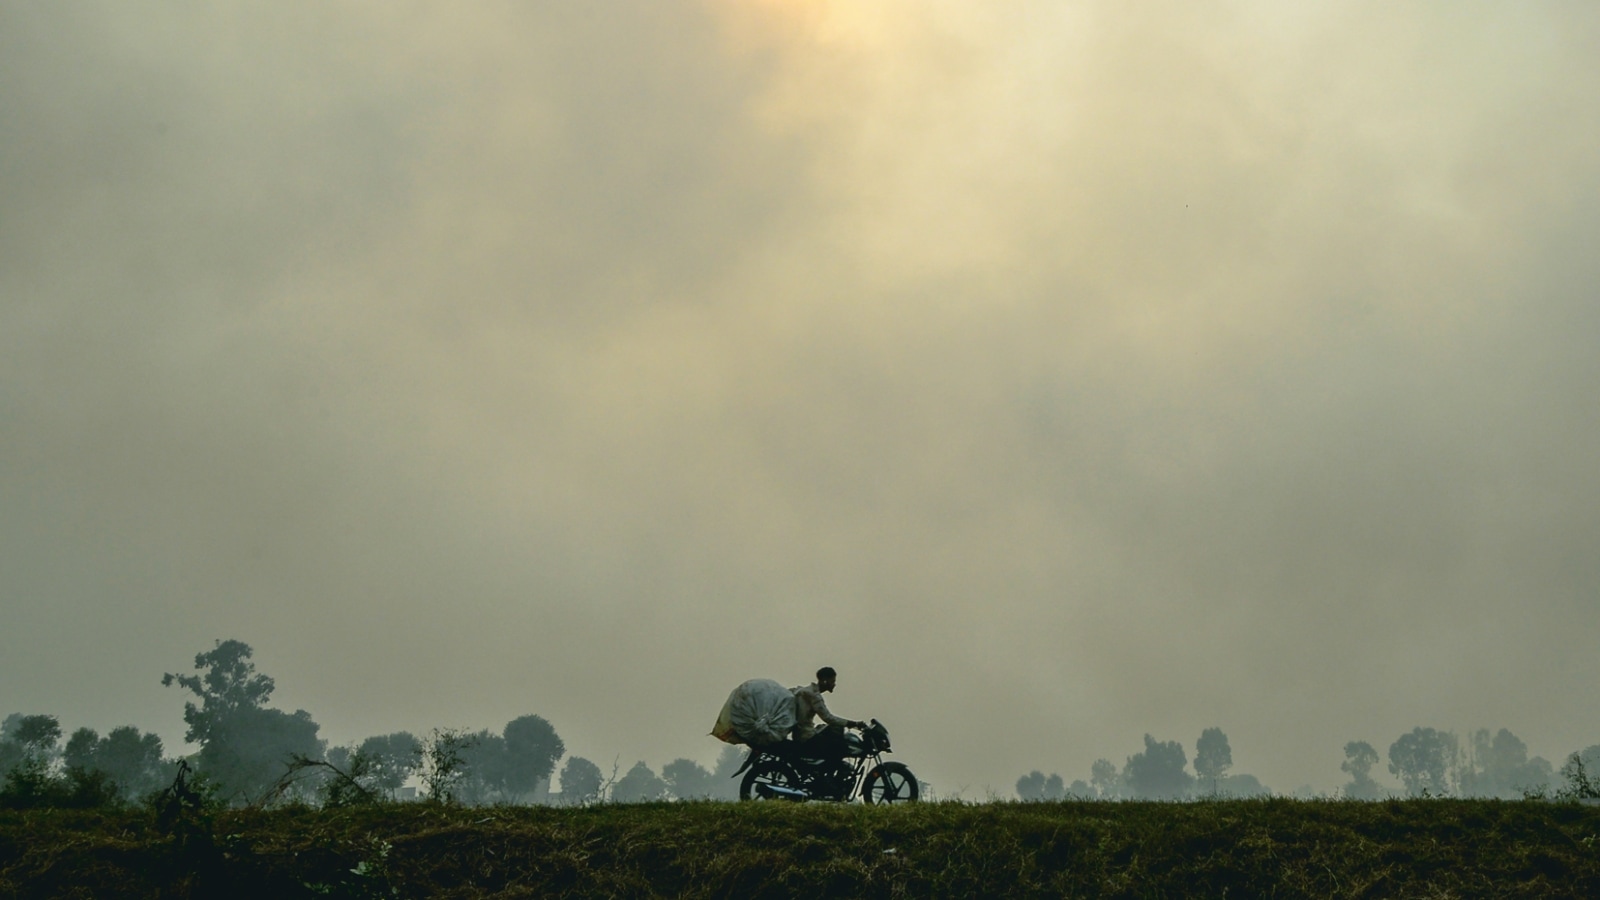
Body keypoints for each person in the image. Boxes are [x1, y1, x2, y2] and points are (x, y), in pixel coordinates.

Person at [790, 666, 866, 764]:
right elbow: (828, 717)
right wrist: (853, 723)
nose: (834, 684)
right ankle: (829, 775)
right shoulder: (814, 696)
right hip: (806, 736)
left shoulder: (807, 691)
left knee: (833, 731)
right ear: (825, 681)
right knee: (840, 748)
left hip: (801, 733)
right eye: (832, 681)